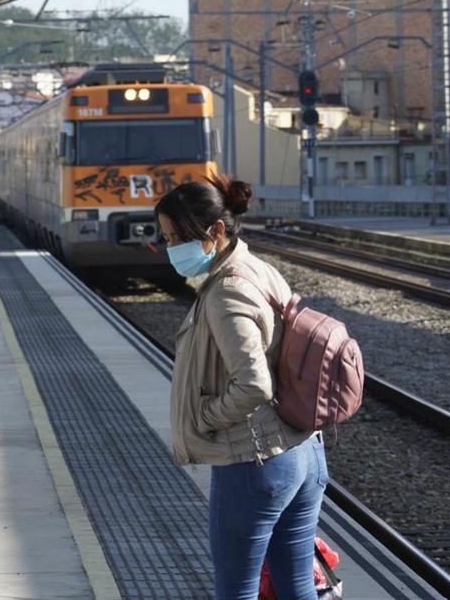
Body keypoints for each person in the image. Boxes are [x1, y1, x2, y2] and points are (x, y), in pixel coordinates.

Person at [155, 175, 328, 600]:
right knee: (296, 588)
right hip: (304, 454)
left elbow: (252, 385)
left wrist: (204, 417)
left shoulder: (226, 292)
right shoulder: (258, 268)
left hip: (256, 463)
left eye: (178, 237)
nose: (171, 248)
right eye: (166, 237)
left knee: (237, 591)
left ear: (215, 232)